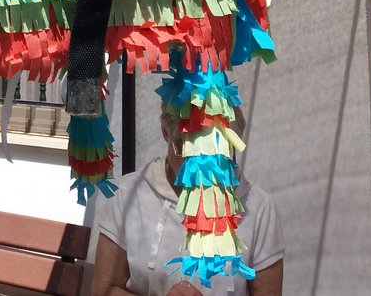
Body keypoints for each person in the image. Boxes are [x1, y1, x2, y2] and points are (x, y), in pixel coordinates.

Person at [92, 107, 284, 295]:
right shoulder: (129, 194)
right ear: (166, 133)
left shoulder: (257, 207)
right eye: (188, 150)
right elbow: (104, 289)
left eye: (216, 152)